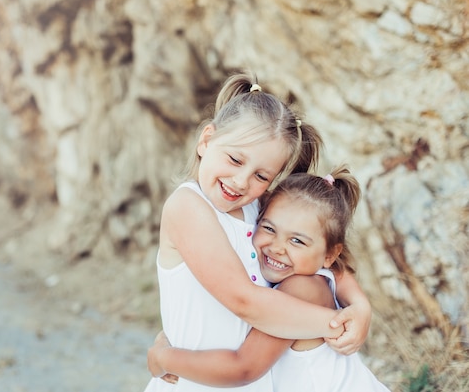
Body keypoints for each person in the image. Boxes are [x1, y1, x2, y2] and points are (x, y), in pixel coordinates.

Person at [144, 71, 372, 392]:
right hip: (193, 382)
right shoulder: (188, 207)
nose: (241, 181)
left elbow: (323, 257)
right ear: (206, 140)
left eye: (261, 176)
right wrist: (335, 323)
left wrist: (359, 306)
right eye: (235, 159)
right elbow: (244, 301)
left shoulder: (259, 210)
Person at [147, 166, 390, 392]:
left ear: (329, 255)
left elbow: (244, 367)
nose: (277, 248)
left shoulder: (301, 287)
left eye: (297, 241)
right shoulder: (295, 275)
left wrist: (163, 358)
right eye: (269, 229)